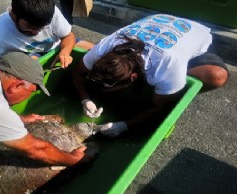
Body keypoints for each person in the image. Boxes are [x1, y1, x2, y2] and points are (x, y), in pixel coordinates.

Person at [72, 14, 229, 137]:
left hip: (190, 31)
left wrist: (125, 125)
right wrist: (85, 98)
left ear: (133, 77)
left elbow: (159, 108)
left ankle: (172, 87)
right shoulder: (105, 47)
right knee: (81, 47)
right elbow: (78, 72)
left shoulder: (167, 65)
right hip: (157, 23)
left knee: (216, 76)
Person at [0, 0, 93, 68]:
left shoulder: (52, 12)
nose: (35, 32)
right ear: (13, 15)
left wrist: (65, 52)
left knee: (94, 51)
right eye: (29, 27)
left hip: (58, 45)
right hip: (31, 55)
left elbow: (68, 36)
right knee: (31, 66)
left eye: (41, 27)